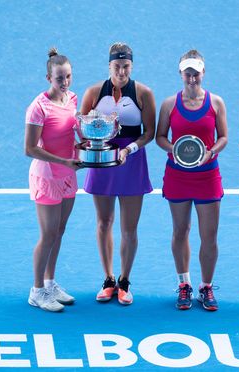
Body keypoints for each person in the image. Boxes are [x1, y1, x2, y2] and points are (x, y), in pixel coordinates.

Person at [79, 42, 156, 305]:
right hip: (103, 161)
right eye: (116, 66)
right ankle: (108, 279)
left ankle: (124, 281)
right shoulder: (93, 92)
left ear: (131, 67)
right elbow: (81, 126)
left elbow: (149, 133)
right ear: (109, 66)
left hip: (131, 163)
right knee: (103, 223)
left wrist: (129, 150)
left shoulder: (143, 93)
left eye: (125, 66)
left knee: (129, 229)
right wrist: (93, 137)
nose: (121, 71)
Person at [156, 50, 228, 311]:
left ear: (203, 73)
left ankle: (206, 287)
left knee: (209, 235)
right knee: (180, 231)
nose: (192, 77)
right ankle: (184, 284)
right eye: (187, 72)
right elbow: (160, 137)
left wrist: (211, 151)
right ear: (181, 73)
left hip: (208, 176)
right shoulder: (168, 104)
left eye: (196, 72)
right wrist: (173, 148)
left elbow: (224, 137)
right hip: (177, 176)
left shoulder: (216, 103)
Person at [24, 48, 82, 312]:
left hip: (68, 176)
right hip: (47, 176)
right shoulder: (38, 107)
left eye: (68, 77)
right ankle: (37, 291)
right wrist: (64, 162)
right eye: (60, 78)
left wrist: (84, 149)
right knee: (48, 234)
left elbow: (71, 134)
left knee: (59, 231)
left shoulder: (72, 99)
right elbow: (30, 149)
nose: (65, 82)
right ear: (48, 77)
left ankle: (49, 282)